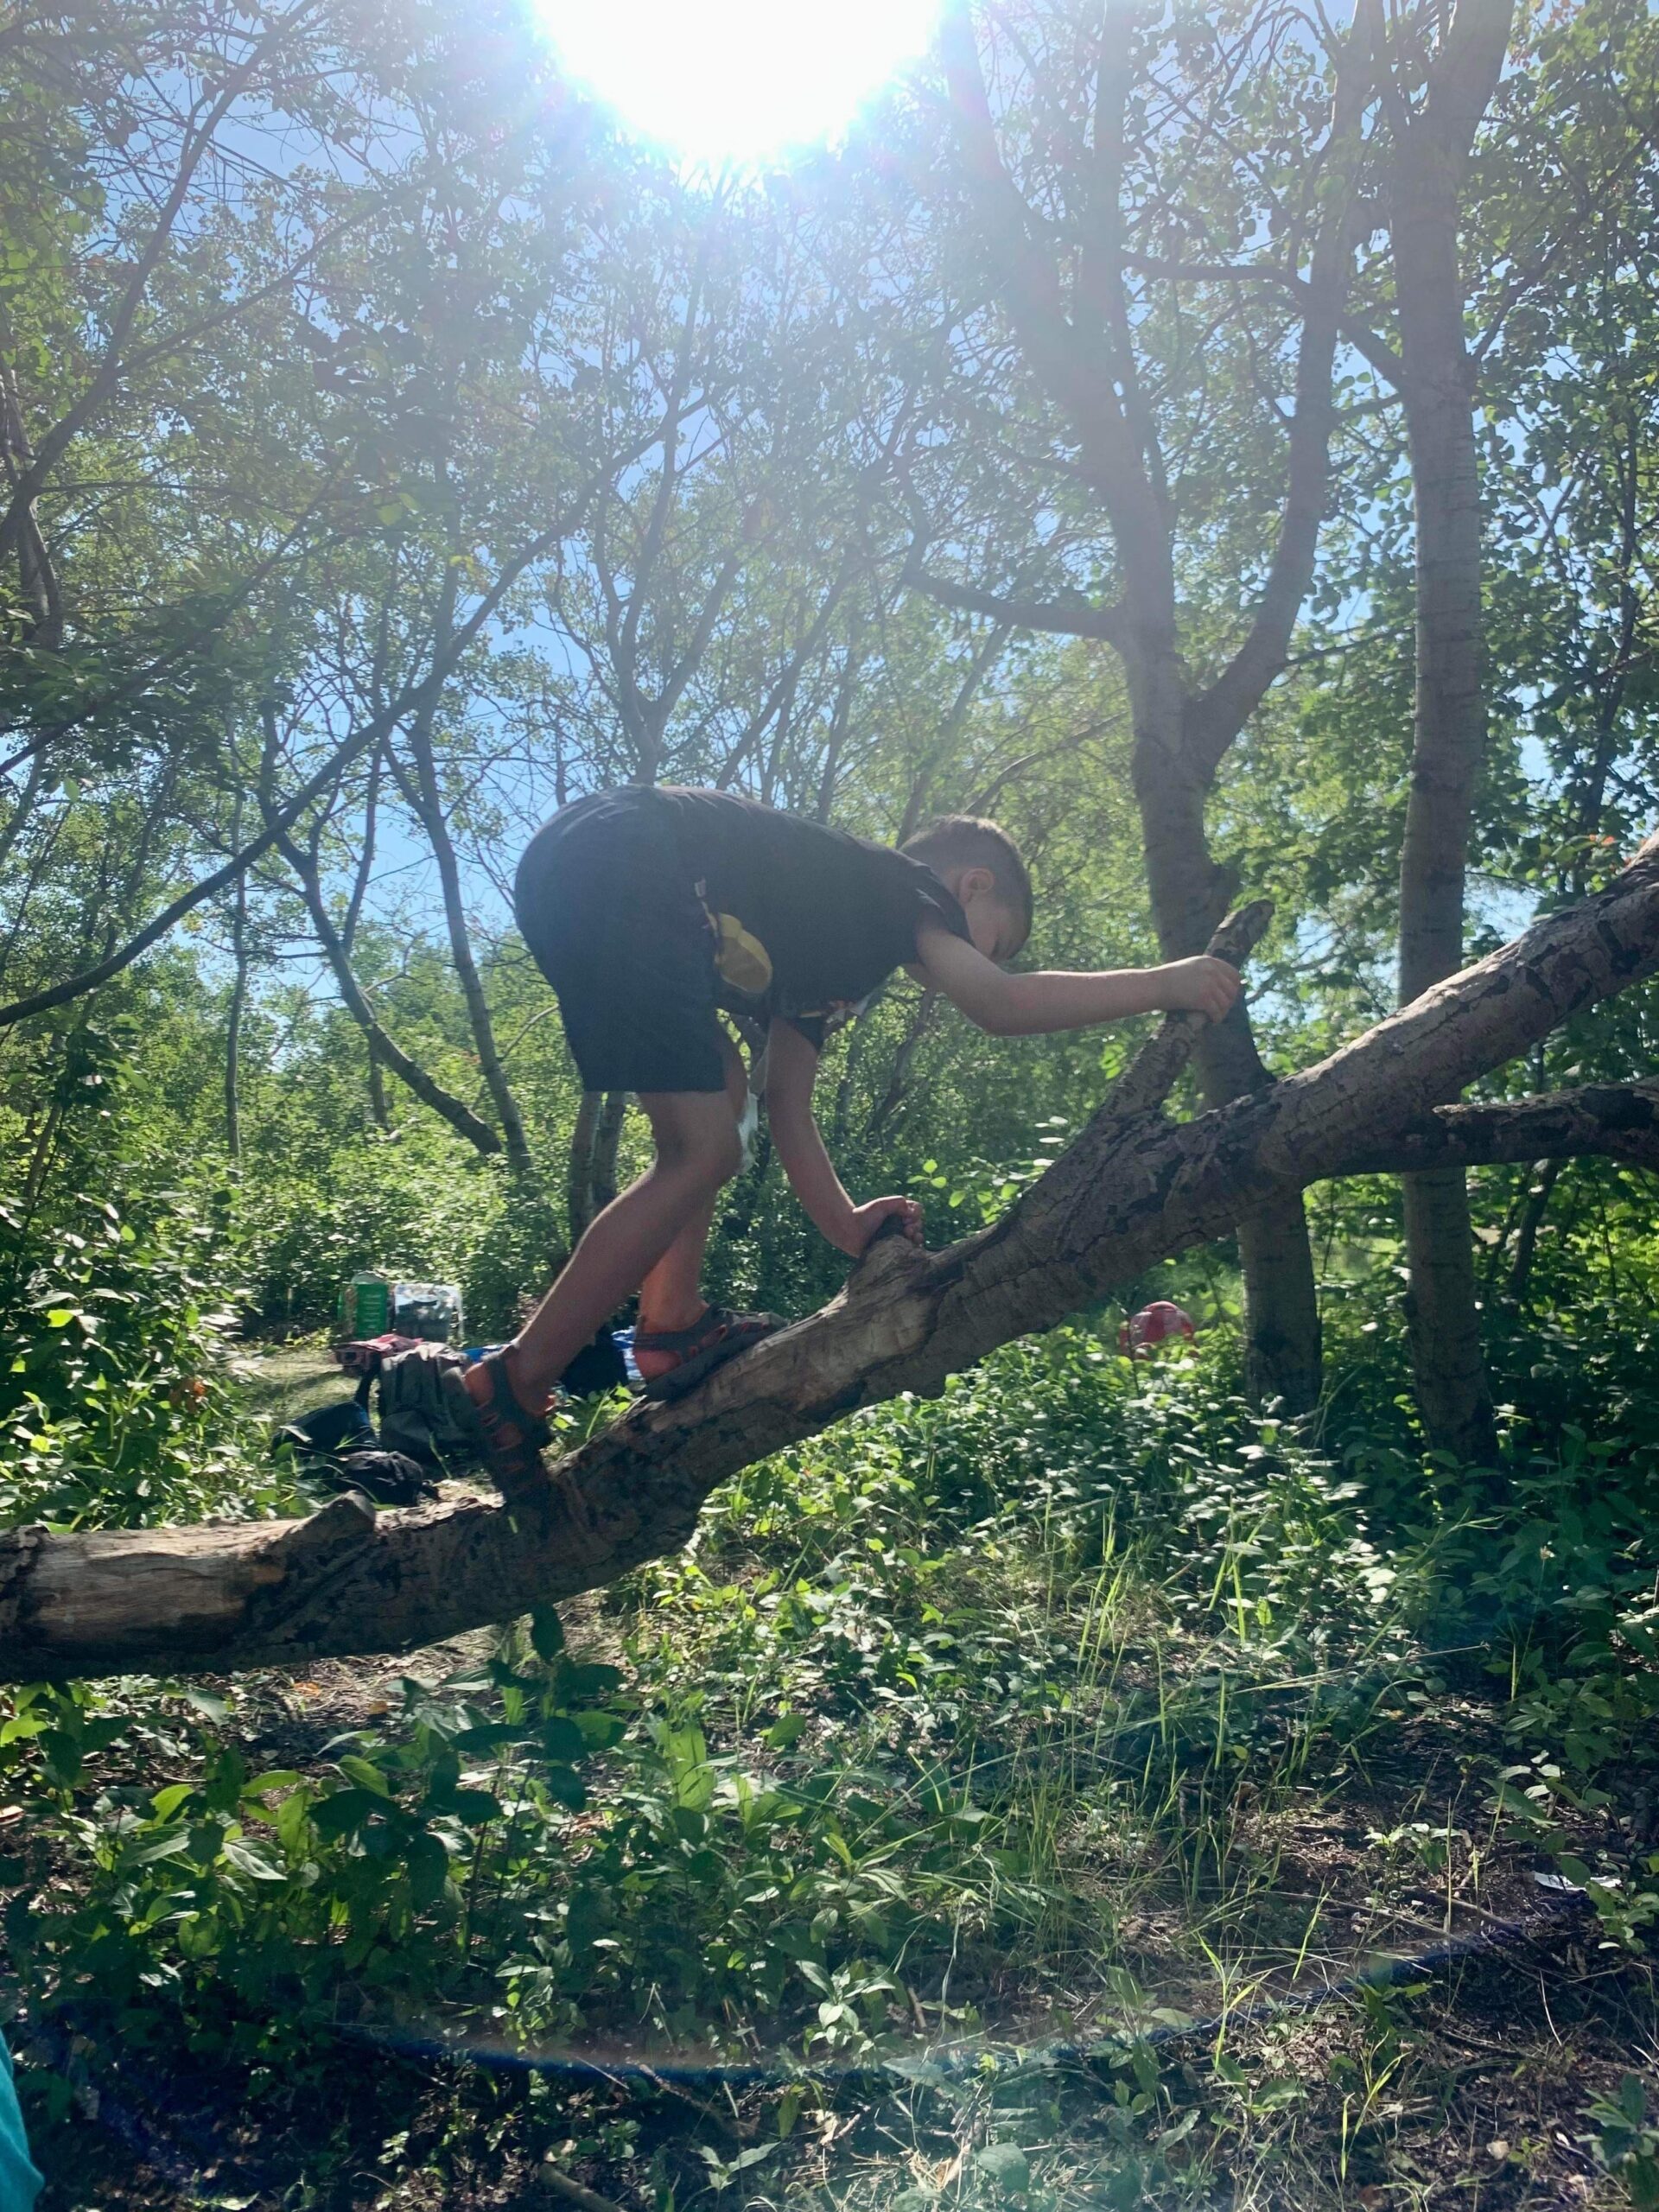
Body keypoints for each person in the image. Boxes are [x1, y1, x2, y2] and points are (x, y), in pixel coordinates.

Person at [448, 785, 1239, 1505]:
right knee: (704, 1151)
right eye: (996, 942)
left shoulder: (831, 940)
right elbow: (997, 1005)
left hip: (581, 874)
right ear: (972, 887)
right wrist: (1164, 984)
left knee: (720, 1093)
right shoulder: (904, 888)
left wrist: (849, 1227)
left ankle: (669, 1325)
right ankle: (517, 1377)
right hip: (625, 855)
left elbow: (786, 1102)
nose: (983, 960)